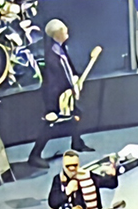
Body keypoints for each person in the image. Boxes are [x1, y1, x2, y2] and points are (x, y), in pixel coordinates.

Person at [25, 18, 94, 164]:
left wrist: (74, 79)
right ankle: (35, 155)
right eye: (64, 31)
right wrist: (53, 106)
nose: (67, 32)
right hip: (56, 96)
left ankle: (76, 142)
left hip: (66, 93)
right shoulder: (50, 56)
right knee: (50, 125)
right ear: (57, 35)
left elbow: (68, 67)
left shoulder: (60, 49)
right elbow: (53, 83)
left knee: (77, 114)